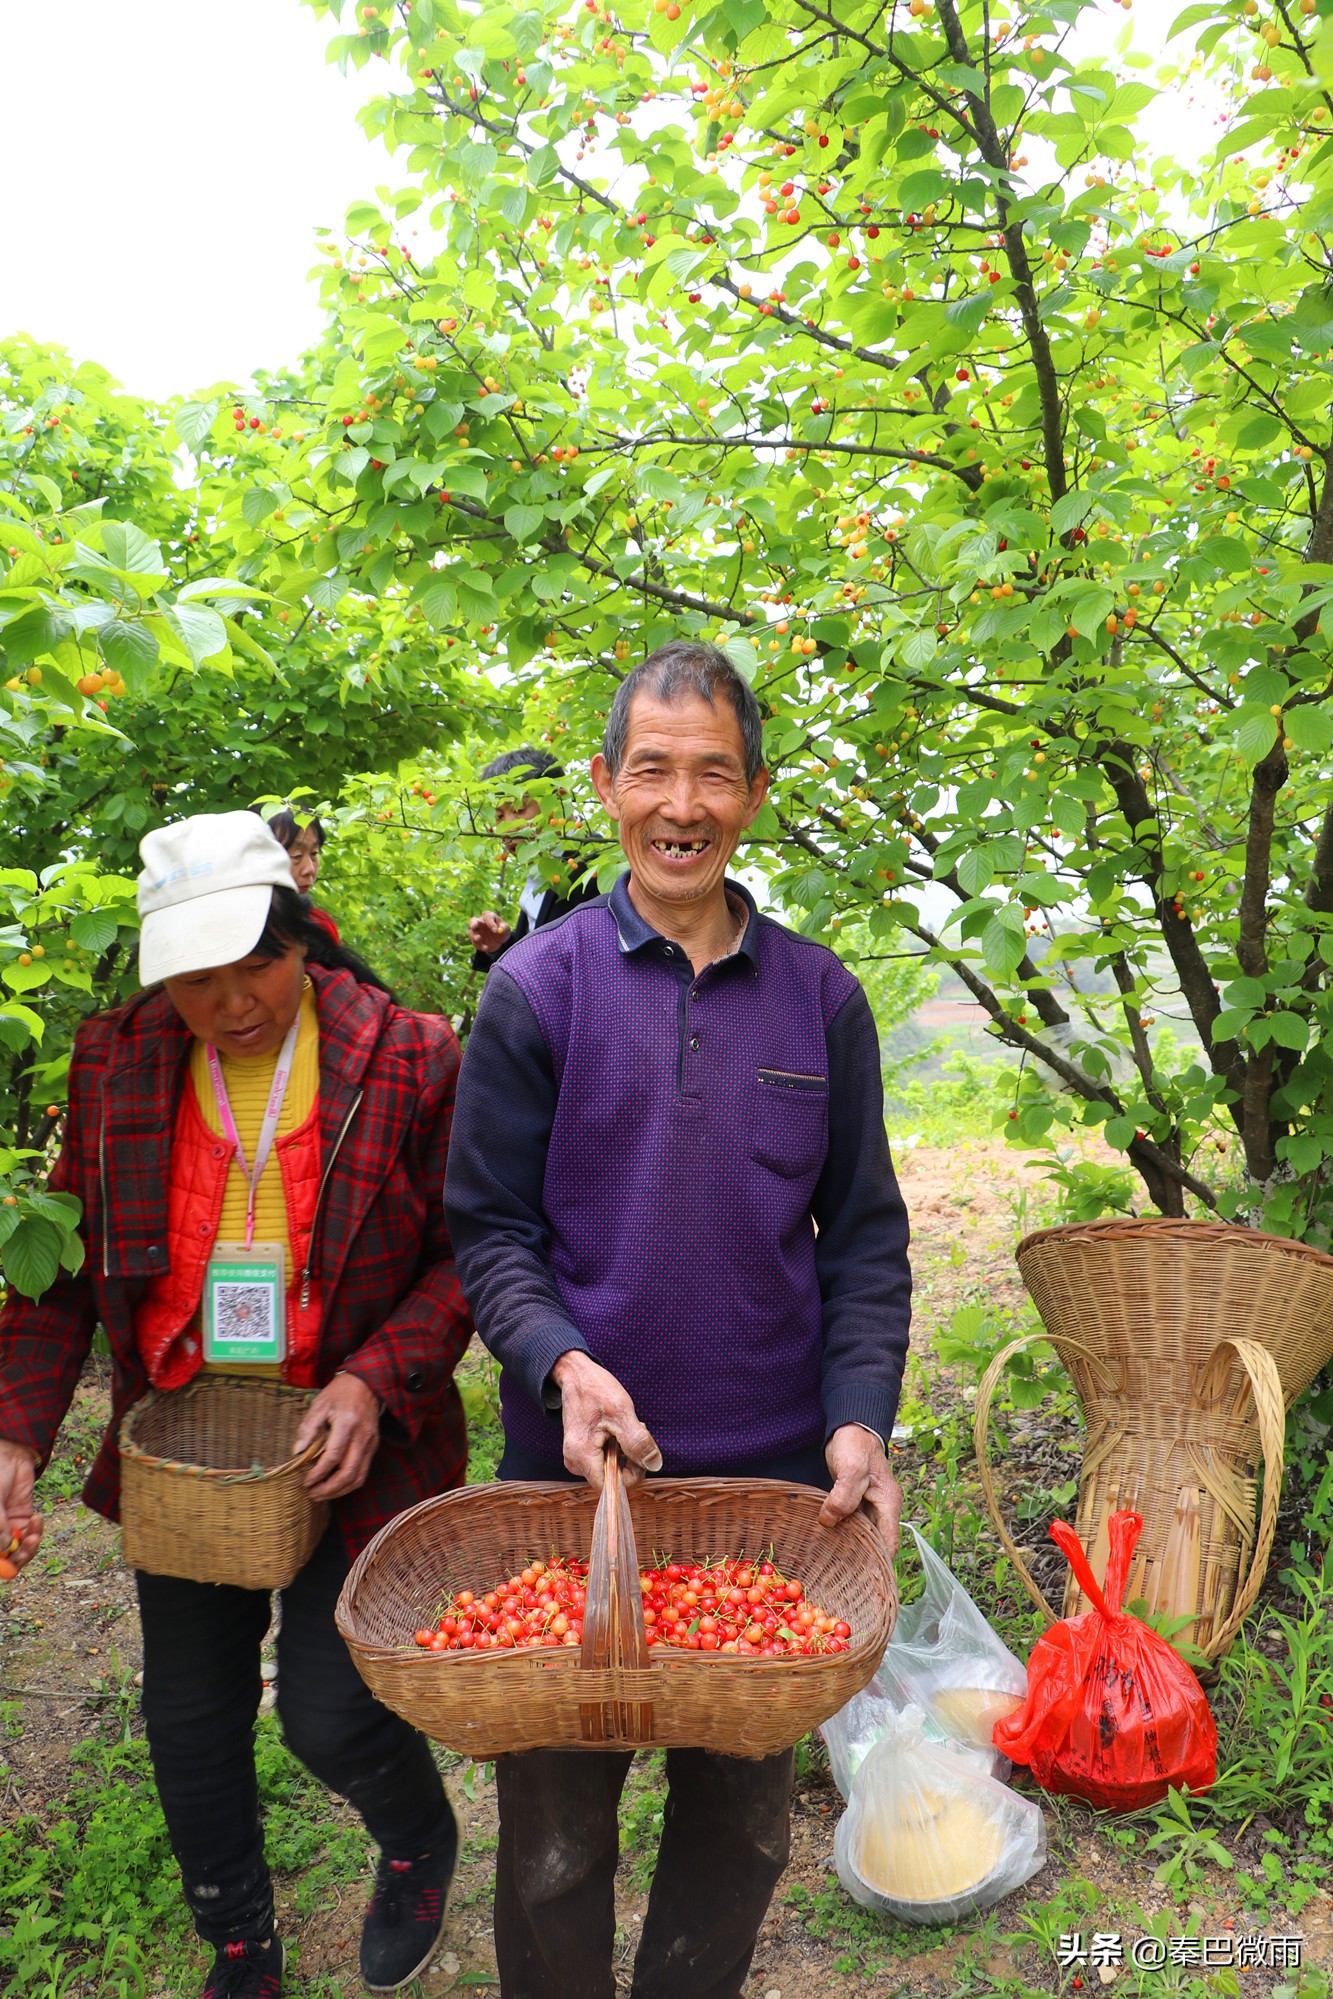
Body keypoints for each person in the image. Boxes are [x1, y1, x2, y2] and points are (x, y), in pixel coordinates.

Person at [444, 641, 912, 1999]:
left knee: (741, 1828)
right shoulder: (538, 989)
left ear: (755, 792)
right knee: (550, 1843)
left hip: (766, 1500)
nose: (681, 801)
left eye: (713, 770)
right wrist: (561, 1359)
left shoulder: (819, 998)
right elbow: (492, 1229)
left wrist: (858, 1416)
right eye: (652, 768)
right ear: (605, 785)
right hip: (570, 1485)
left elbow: (865, 1236)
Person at [0, 812, 472, 1999]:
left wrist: (375, 1376)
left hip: (347, 1441)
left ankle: (418, 1838)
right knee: (189, 1721)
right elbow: (59, 1265)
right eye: (197, 980)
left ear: (302, 938)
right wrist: (15, 1429)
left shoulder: (407, 1057)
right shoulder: (116, 1063)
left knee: (329, 1710)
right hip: (191, 1448)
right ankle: (239, 1946)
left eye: (255, 965)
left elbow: (473, 1252)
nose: (233, 1002)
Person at [466, 747, 599, 974]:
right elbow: (535, 963)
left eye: (518, 808)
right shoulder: (542, 869)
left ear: (559, 800)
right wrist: (501, 945)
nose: (507, 826)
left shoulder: (594, 864)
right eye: (498, 816)